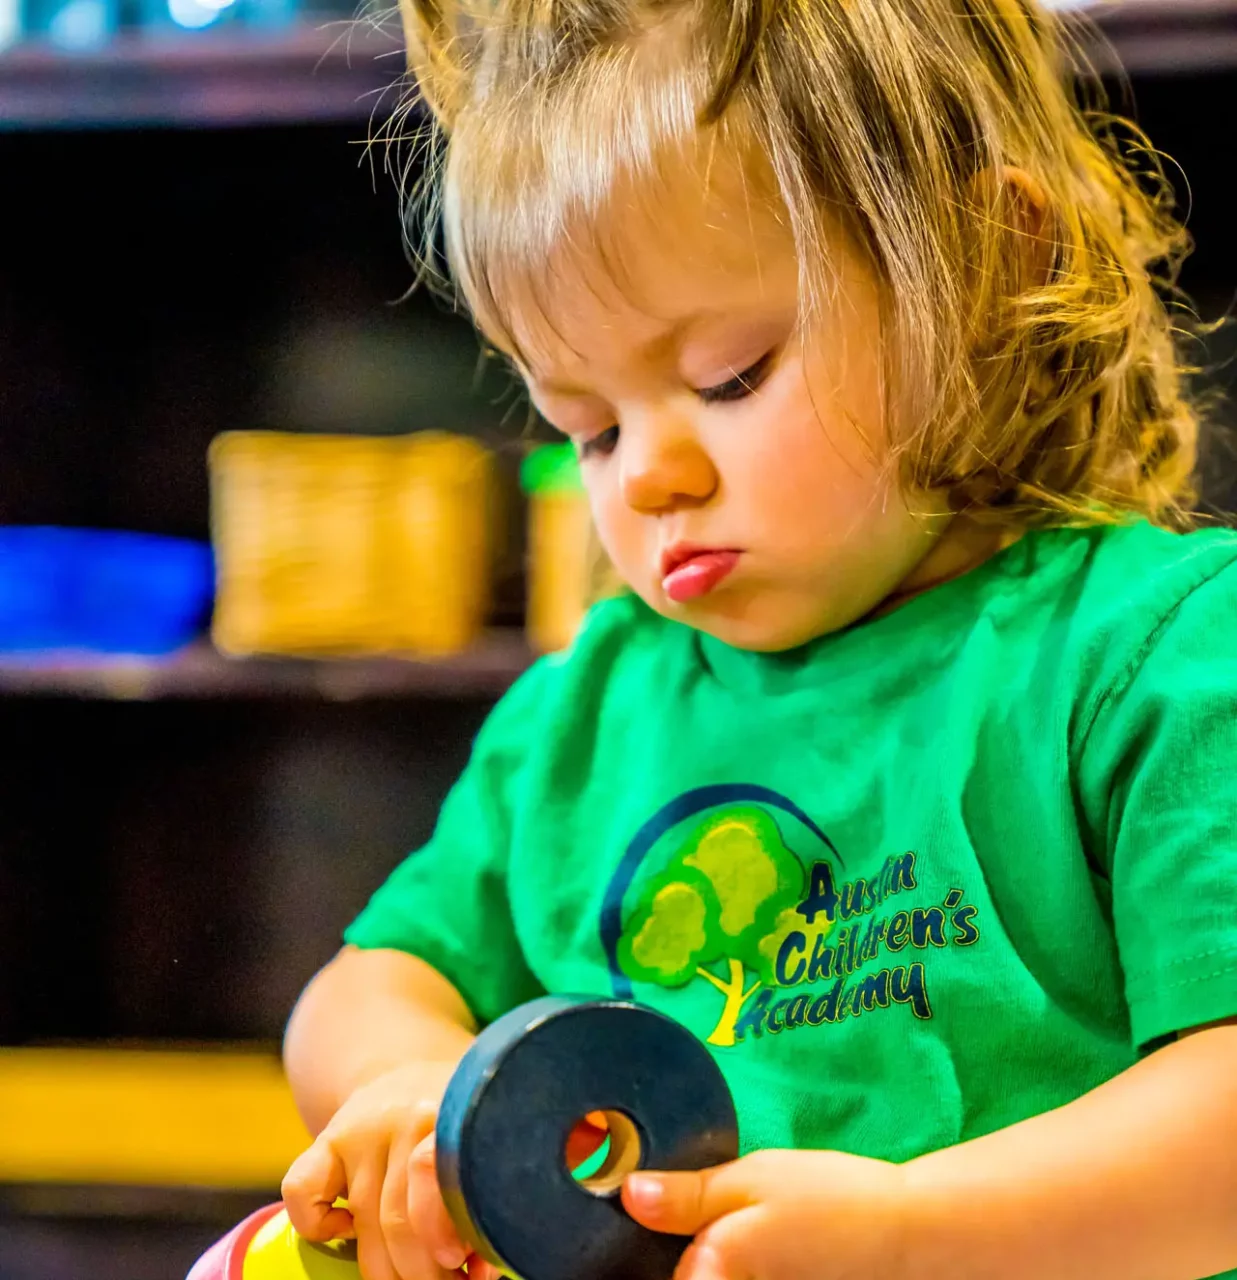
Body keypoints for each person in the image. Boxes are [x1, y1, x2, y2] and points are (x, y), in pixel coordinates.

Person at [279, 2, 1237, 1277]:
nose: (650, 477)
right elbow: (365, 983)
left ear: (985, 266)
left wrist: (912, 1239)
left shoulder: (1158, 655)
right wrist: (417, 1086)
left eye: (730, 373)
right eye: (592, 426)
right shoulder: (589, 710)